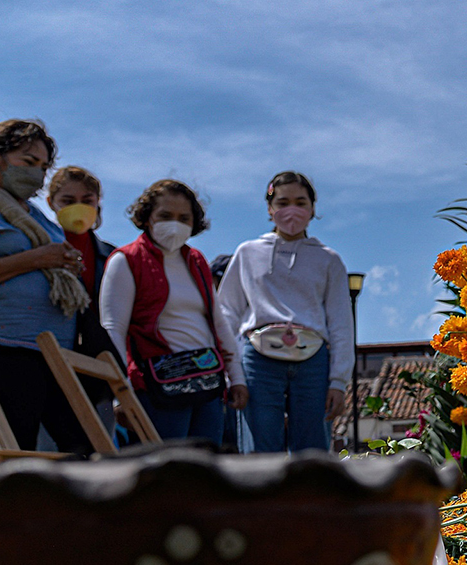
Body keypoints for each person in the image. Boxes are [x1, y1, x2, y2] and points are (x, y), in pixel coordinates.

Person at [0, 120, 90, 453]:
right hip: (4, 345)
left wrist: (65, 263)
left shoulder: (38, 215)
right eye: (28, 161)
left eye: (43, 166)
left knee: (80, 449)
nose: (37, 173)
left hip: (55, 351)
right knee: (16, 449)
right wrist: (38, 259)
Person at [216, 171, 354, 453]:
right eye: (283, 202)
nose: (292, 210)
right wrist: (231, 373)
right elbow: (227, 312)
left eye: (300, 202)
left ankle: (312, 497)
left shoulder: (328, 259)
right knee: (260, 447)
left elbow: (341, 322)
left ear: (313, 208)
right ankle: (264, 498)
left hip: (313, 360)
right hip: (258, 358)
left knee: (312, 448)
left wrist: (338, 380)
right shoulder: (247, 252)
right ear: (270, 209)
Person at [100, 179, 245, 441]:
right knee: (166, 471)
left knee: (207, 469)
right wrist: (121, 392)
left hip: (207, 383)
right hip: (156, 389)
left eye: (183, 218)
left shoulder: (197, 261)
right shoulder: (126, 261)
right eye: (165, 215)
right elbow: (113, 329)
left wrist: (236, 378)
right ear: (147, 217)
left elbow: (218, 321)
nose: (175, 224)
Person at [47, 165, 119, 433]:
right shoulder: (40, 248)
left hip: (98, 369)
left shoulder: (112, 257)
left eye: (87, 201)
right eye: (68, 201)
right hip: (49, 361)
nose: (78, 207)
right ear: (51, 203)